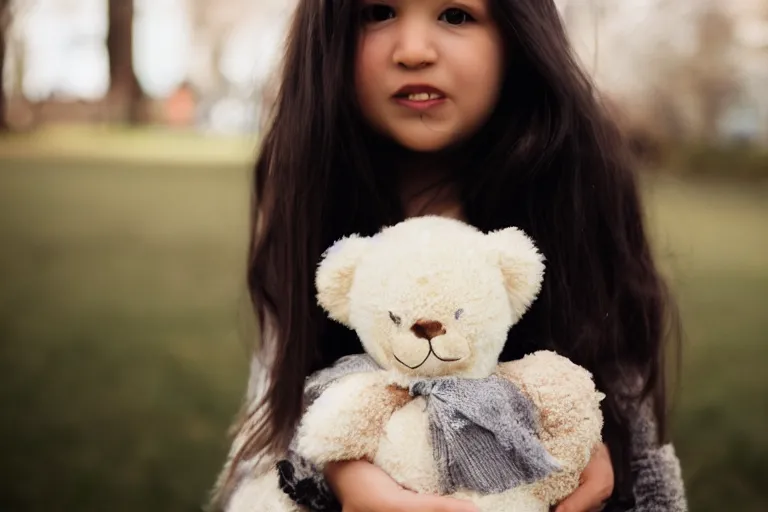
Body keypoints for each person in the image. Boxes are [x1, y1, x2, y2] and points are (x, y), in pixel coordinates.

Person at [211, 0, 688, 511]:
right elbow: (269, 431)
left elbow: (635, 443)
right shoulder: (311, 202)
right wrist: (338, 474)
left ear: (515, 34)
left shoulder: (578, 198)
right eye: (378, 12)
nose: (414, 51)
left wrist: (586, 443)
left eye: (456, 15)